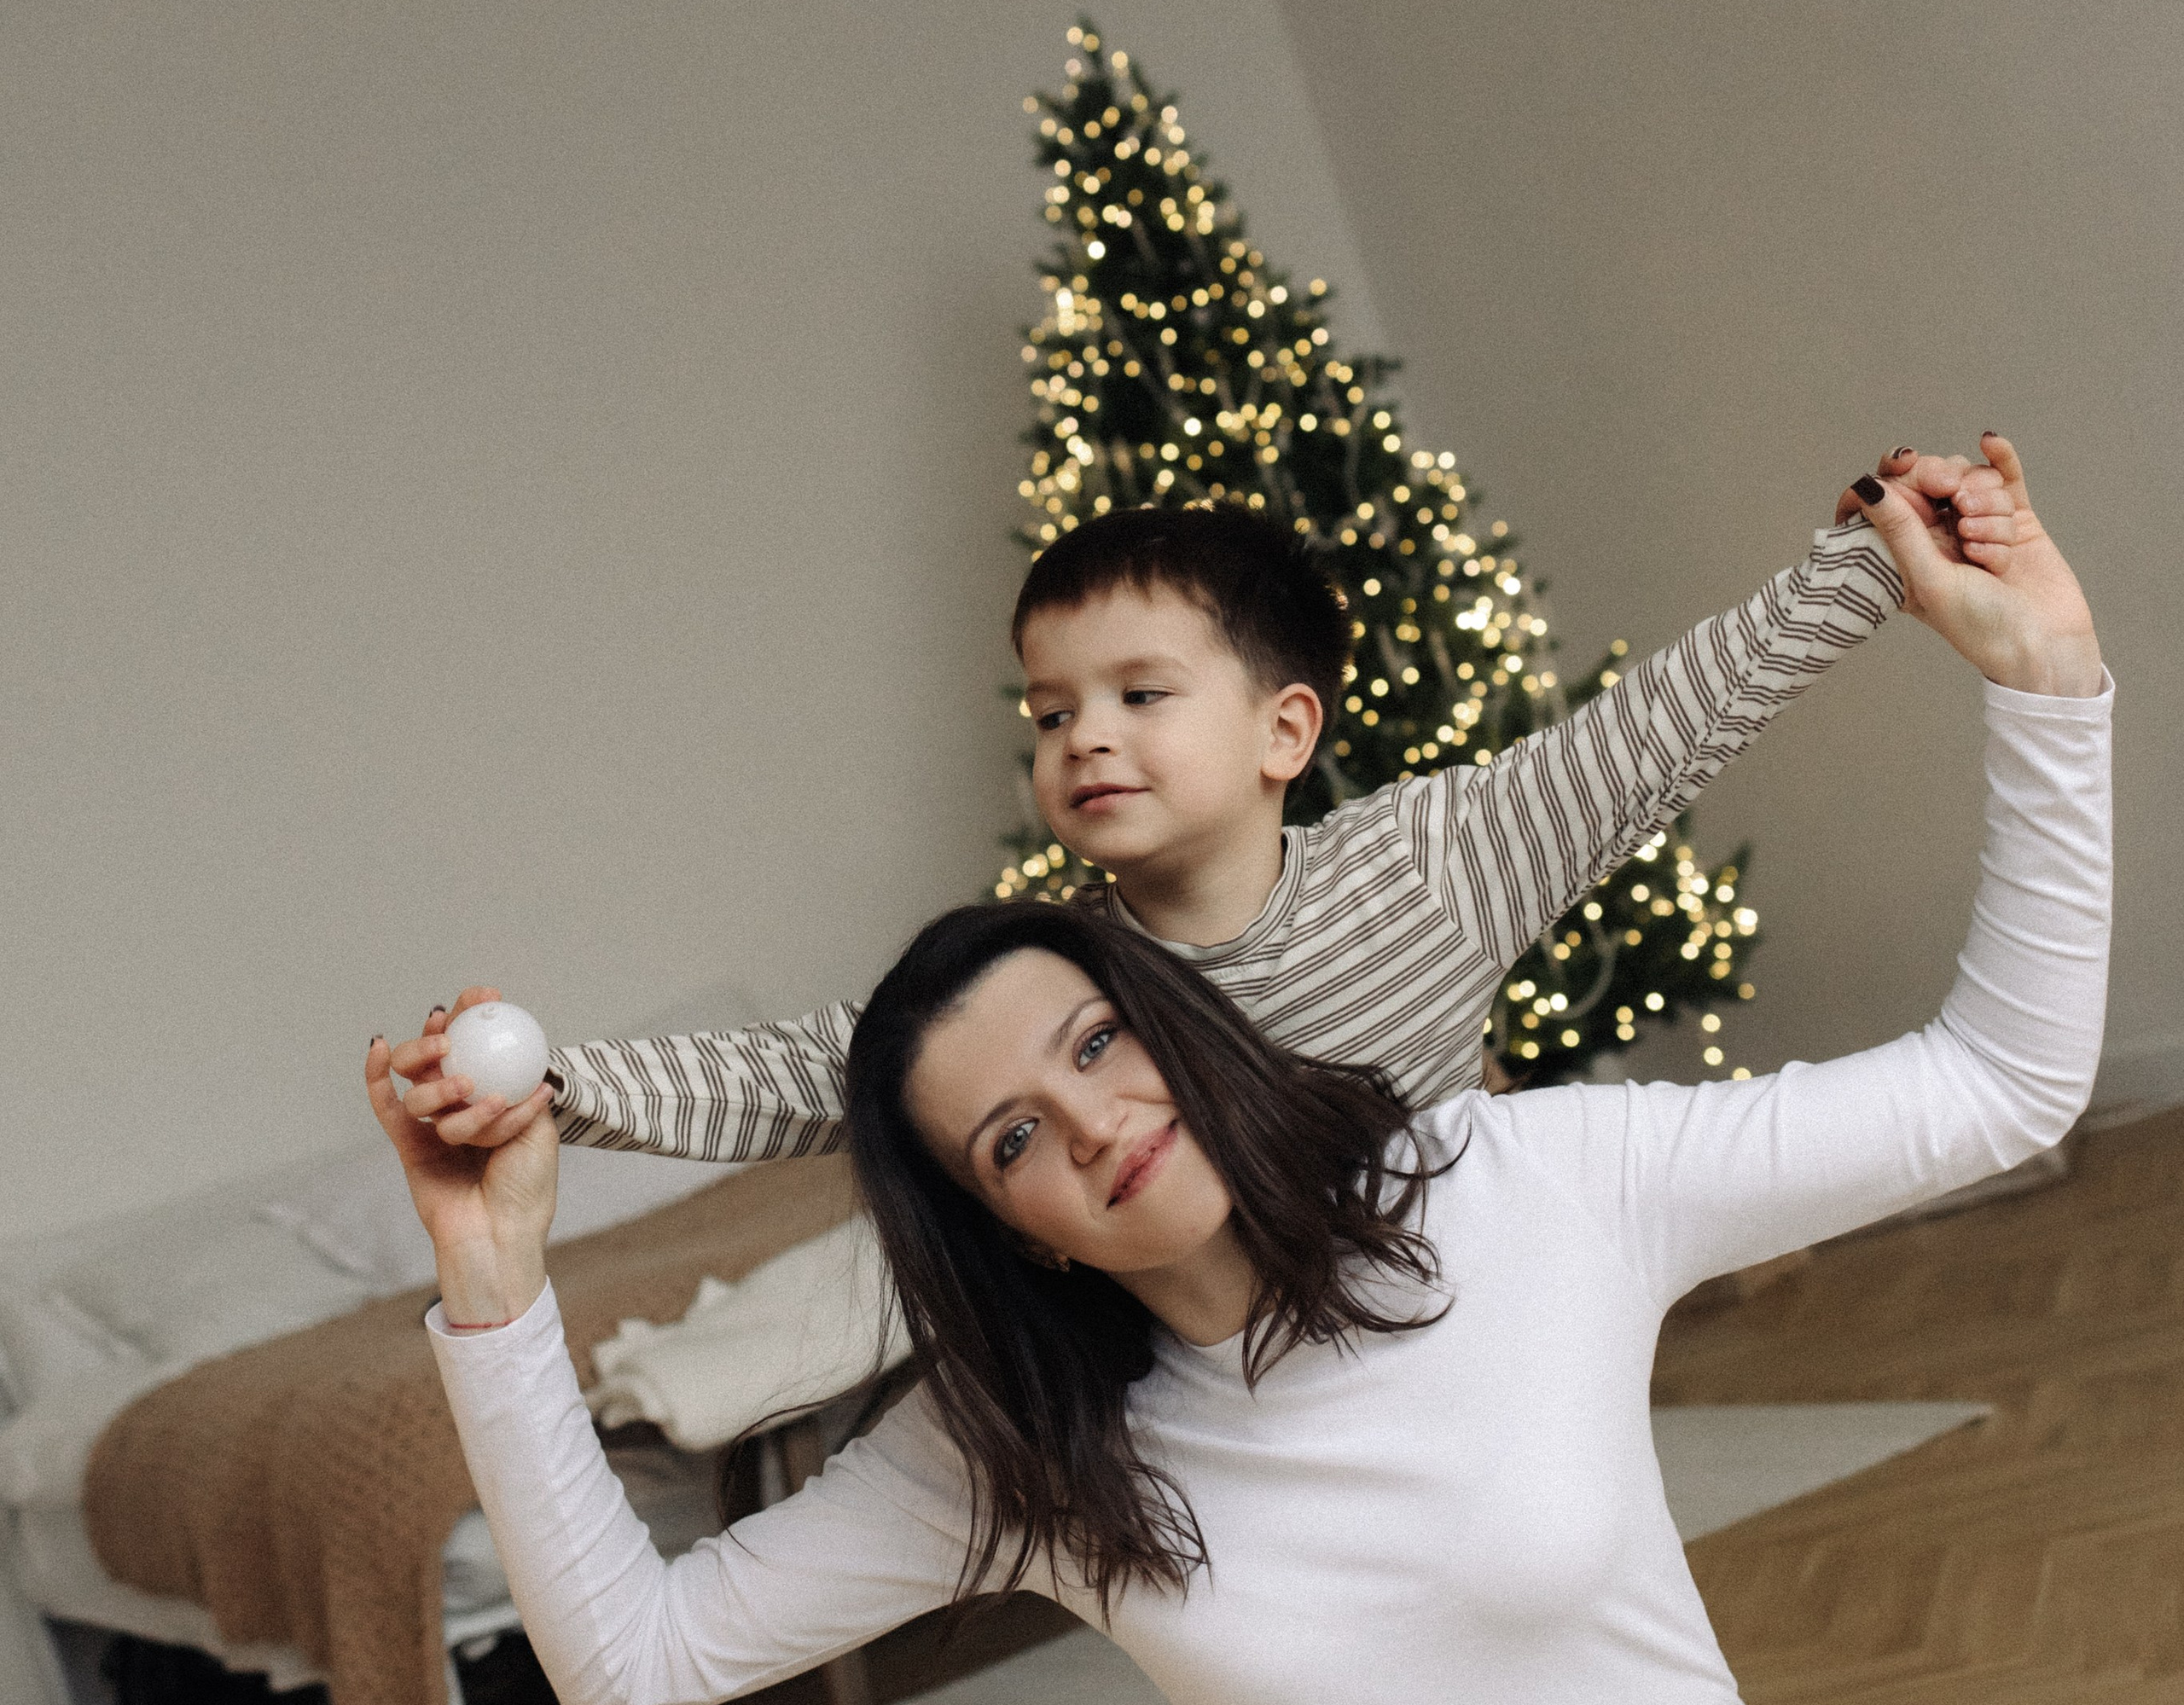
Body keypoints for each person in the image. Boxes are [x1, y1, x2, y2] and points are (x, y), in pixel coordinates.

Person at [368, 441, 2177, 1705]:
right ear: (1005, 1224)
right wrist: (493, 1282)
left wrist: (2042, 681)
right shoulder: (1022, 1450)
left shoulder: (1518, 1190)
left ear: (1172, 1017)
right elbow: (625, 1662)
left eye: (1093, 1050)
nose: (1084, 1127)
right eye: (1012, 1142)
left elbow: (1998, 1086)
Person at [389, 450, 2007, 1165]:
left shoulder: (1434, 863)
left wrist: (1873, 556)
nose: (1084, 737)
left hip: (1494, 1334)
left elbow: (1658, 725)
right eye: (1051, 713)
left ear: (1284, 730)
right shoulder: (1052, 981)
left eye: (1139, 696)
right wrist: (564, 1091)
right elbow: (812, 1070)